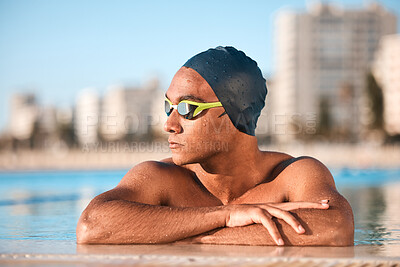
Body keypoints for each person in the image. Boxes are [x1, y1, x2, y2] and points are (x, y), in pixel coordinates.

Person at [76, 46, 354, 246]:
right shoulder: (160, 177)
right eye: (168, 106)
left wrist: (182, 233)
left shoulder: (292, 175)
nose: (169, 124)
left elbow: (336, 227)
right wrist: (225, 215)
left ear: (238, 113)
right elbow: (92, 225)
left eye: (187, 108)